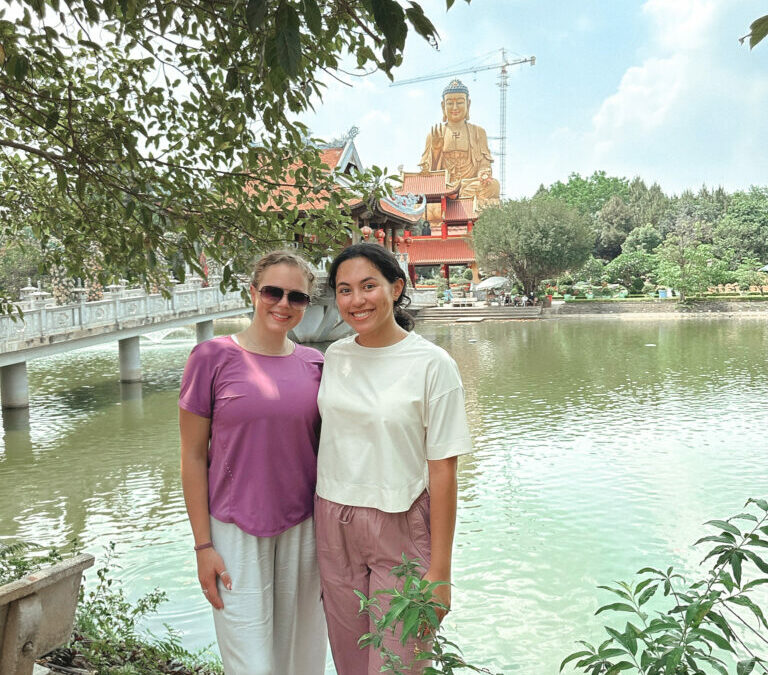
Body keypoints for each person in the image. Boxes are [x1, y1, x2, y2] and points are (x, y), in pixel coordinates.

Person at [315, 243, 472, 675]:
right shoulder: (335, 356)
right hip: (333, 519)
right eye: (344, 290)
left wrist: (440, 571)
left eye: (369, 286)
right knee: (349, 656)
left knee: (400, 661)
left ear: (396, 287)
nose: (357, 300)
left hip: (401, 522)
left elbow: (444, 470)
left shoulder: (432, 365)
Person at [179, 251, 327, 675]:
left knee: (303, 660)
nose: (283, 304)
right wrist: (203, 546)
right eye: (273, 292)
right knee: (251, 664)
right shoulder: (211, 357)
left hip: (305, 531)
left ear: (306, 303)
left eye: (296, 297)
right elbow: (191, 456)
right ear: (253, 292)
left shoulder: (316, 365)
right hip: (233, 531)